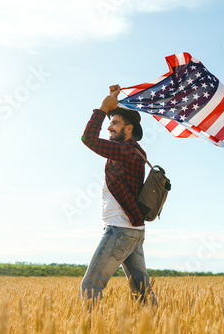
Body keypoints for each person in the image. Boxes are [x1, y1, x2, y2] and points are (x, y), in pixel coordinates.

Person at [80, 84, 157, 307]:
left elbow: (88, 139)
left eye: (114, 123)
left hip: (120, 229)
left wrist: (103, 107)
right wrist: (114, 99)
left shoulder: (126, 151)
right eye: (110, 123)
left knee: (90, 285)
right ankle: (156, 326)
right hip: (133, 230)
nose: (109, 128)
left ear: (129, 128)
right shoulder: (130, 151)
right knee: (142, 291)